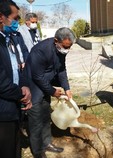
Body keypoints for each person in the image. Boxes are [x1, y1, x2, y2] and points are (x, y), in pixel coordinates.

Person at [0, 0, 32, 158]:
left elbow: (17, 67)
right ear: (0, 16)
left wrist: (24, 86)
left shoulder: (5, 37)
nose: (17, 22)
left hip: (11, 108)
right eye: (15, 18)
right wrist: (22, 95)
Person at [24, 27, 76, 158]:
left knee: (45, 117)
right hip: (34, 89)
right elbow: (37, 76)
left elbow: (62, 70)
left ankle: (47, 143)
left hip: (45, 88)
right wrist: (53, 91)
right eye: (65, 46)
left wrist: (67, 88)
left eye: (69, 47)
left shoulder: (61, 51)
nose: (67, 50)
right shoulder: (41, 51)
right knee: (36, 122)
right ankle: (38, 152)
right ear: (56, 41)